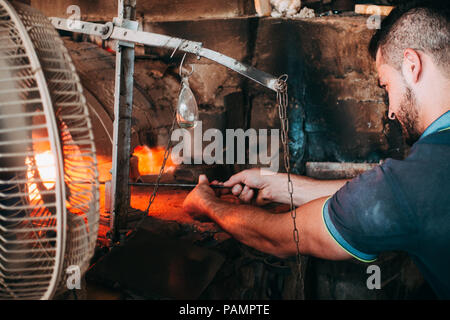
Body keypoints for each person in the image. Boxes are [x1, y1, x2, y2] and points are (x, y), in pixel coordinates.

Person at [183, 1, 450, 299]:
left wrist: (208, 205)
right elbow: (386, 196)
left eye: (386, 86)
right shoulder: (425, 174)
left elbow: (280, 237)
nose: (390, 111)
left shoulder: (415, 182)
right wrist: (281, 186)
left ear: (412, 65)